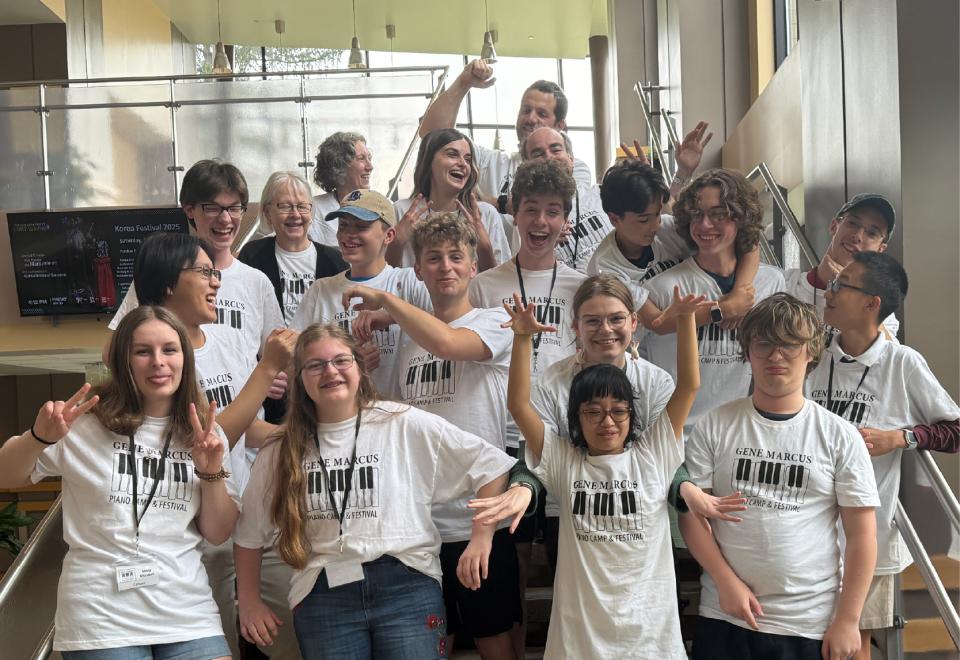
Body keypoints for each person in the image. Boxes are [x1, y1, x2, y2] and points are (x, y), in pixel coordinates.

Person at [233, 323, 516, 660]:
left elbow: (492, 466)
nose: (330, 371)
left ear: (359, 366)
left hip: (406, 584)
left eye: (341, 360)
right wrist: (249, 601)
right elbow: (249, 533)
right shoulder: (281, 449)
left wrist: (481, 537)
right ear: (300, 379)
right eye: (315, 365)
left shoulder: (401, 422)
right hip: (323, 593)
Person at [0, 305, 239, 659]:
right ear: (123, 361)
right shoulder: (83, 423)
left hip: (188, 613)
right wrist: (38, 438)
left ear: (184, 358)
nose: (158, 361)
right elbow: (7, 475)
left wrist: (210, 472)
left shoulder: (204, 431)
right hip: (100, 619)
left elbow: (218, 532)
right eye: (143, 351)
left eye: (169, 350)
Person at [488, 284, 706, 658]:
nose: (607, 421)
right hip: (582, 633)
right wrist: (523, 339)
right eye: (592, 412)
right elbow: (519, 405)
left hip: (649, 632)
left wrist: (686, 320)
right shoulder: (564, 459)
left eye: (618, 411)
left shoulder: (652, 452)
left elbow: (689, 387)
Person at [345, 213, 522, 659]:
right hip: (422, 525)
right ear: (419, 270)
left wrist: (387, 305)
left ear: (472, 267)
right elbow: (397, 421)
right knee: (434, 645)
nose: (446, 266)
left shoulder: (495, 321)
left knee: (495, 642)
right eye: (434, 258)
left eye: (456, 257)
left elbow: (448, 343)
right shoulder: (408, 338)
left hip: (478, 515)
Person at [681, 293, 880, 660]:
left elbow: (862, 535)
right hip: (725, 613)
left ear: (810, 352)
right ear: (748, 351)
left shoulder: (839, 435)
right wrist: (727, 583)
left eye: (789, 345)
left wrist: (848, 619)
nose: (775, 356)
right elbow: (691, 514)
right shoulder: (715, 425)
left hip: (809, 622)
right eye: (764, 344)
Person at [133, 232, 297, 658]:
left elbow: (247, 428)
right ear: (169, 283)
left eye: (215, 272)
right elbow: (208, 439)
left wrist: (299, 436)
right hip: (197, 528)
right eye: (204, 272)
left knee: (287, 634)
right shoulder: (157, 361)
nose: (216, 282)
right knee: (218, 640)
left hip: (251, 513)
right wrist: (269, 370)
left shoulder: (226, 339)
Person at [808, 252, 959, 659]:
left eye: (843, 284)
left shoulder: (902, 363)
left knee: (853, 644)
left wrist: (901, 438)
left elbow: (956, 431)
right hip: (806, 531)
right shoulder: (813, 354)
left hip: (869, 538)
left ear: (872, 303)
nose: (830, 291)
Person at [467, 159, 583, 657]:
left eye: (553, 212)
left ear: (566, 219)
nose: (541, 222)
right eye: (531, 209)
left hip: (563, 444)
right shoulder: (486, 285)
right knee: (509, 569)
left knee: (567, 568)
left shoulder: (583, 285)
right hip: (505, 443)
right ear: (513, 212)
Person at [641, 168, 783, 433]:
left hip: (739, 434)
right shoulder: (662, 288)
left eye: (718, 214)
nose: (705, 225)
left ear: (740, 218)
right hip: (674, 436)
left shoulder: (770, 284)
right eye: (696, 214)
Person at [109, 160, 285, 365]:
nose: (226, 219)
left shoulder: (257, 281)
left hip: (244, 396)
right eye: (213, 208)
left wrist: (273, 375)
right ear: (189, 209)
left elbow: (276, 354)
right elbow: (113, 352)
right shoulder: (164, 272)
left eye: (235, 208)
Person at [291, 189, 431, 398]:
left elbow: (447, 327)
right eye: (343, 225)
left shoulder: (410, 281)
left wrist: (391, 316)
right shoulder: (321, 290)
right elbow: (296, 361)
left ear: (389, 235)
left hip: (399, 417)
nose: (348, 235)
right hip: (341, 418)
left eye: (361, 226)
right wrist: (347, 366)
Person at [418, 60, 592, 203]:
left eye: (542, 114)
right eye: (526, 110)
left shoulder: (575, 167)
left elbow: (554, 207)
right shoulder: (493, 163)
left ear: (560, 126)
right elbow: (432, 136)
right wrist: (463, 83)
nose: (531, 119)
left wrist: (489, 201)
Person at [389, 128, 511, 270]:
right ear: (429, 161)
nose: (463, 164)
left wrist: (484, 248)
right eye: (452, 155)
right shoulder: (403, 211)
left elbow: (500, 281)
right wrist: (396, 243)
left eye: (468, 159)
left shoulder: (485, 214)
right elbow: (385, 278)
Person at [783, 193, 900, 338]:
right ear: (834, 226)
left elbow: (889, 356)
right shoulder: (784, 285)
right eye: (853, 223)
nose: (857, 236)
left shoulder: (876, 307)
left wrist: (858, 295)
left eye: (872, 233)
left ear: (880, 250)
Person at [239, 171, 347, 326]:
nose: (295, 214)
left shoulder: (334, 260)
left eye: (302, 206)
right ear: (267, 212)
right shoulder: (252, 256)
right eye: (285, 206)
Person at [519, 127, 613, 273]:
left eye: (556, 150)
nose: (549, 157)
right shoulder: (523, 218)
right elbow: (520, 272)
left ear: (571, 158)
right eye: (538, 154)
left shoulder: (602, 193)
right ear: (526, 166)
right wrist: (543, 246)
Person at [310, 131, 374, 247]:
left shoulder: (382, 207)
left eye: (369, 158)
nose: (370, 167)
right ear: (339, 167)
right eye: (361, 159)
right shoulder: (313, 209)